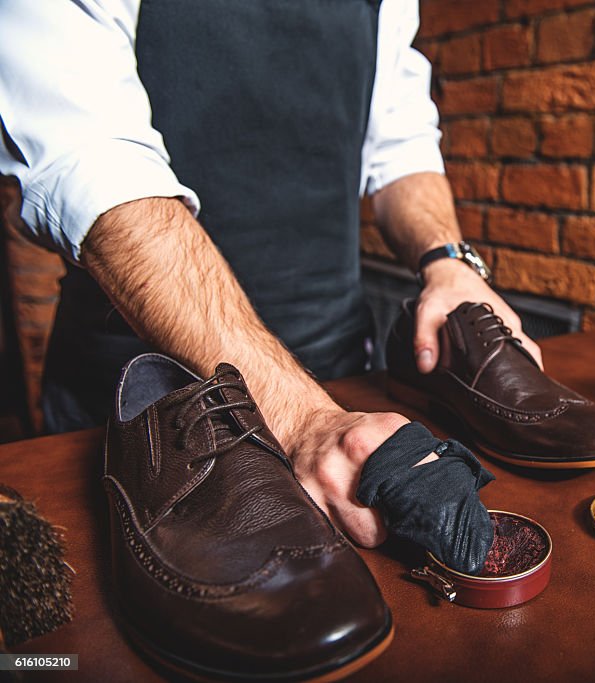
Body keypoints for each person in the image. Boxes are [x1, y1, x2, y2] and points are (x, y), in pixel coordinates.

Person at [0, 0, 542, 548]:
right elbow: (88, 158)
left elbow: (399, 145)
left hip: (337, 376)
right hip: (144, 409)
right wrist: (298, 416)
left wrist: (447, 260)